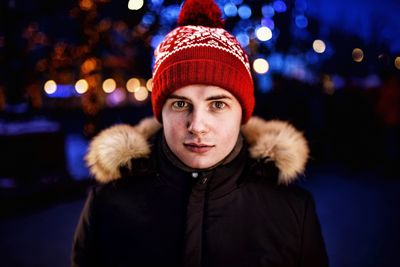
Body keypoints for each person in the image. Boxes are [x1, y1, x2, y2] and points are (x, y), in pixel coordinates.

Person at [71, 0, 329, 266]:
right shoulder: (107, 205)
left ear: (242, 113)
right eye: (181, 104)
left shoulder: (293, 213)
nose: (197, 125)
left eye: (217, 104)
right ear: (161, 112)